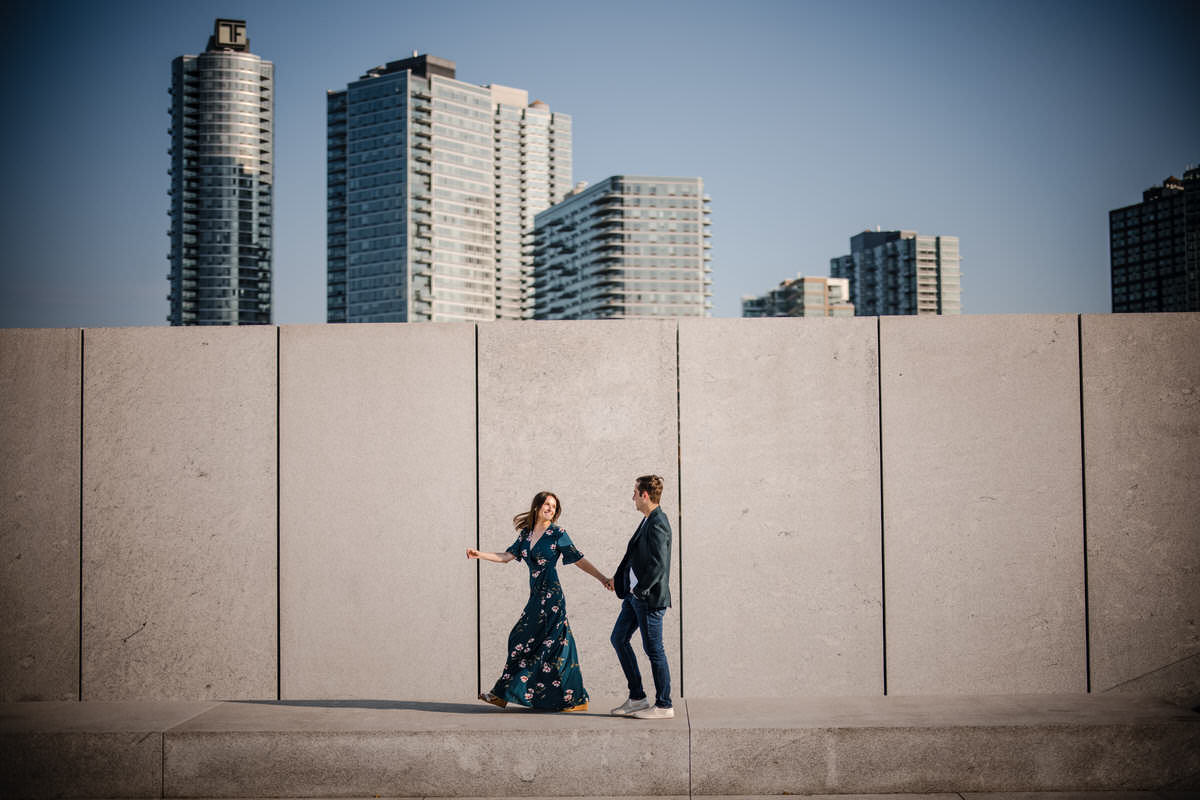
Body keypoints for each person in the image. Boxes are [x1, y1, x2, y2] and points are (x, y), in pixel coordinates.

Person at [467, 491, 613, 711]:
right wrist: (480, 554)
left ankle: (571, 699)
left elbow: (578, 559)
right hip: (536, 596)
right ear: (537, 507)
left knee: (554, 645)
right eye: (547, 504)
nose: (550, 509)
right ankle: (505, 693)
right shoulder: (526, 534)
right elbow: (507, 557)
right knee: (521, 640)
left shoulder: (557, 533)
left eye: (554, 506)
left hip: (552, 596)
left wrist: (602, 578)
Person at [609, 474, 674, 719]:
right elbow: (633, 556)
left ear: (645, 495)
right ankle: (637, 698)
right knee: (619, 638)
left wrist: (640, 591)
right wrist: (621, 580)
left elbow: (659, 565)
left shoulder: (659, 522)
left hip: (648, 599)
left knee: (654, 650)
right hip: (634, 598)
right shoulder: (647, 520)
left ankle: (664, 705)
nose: (633, 497)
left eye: (635, 492)